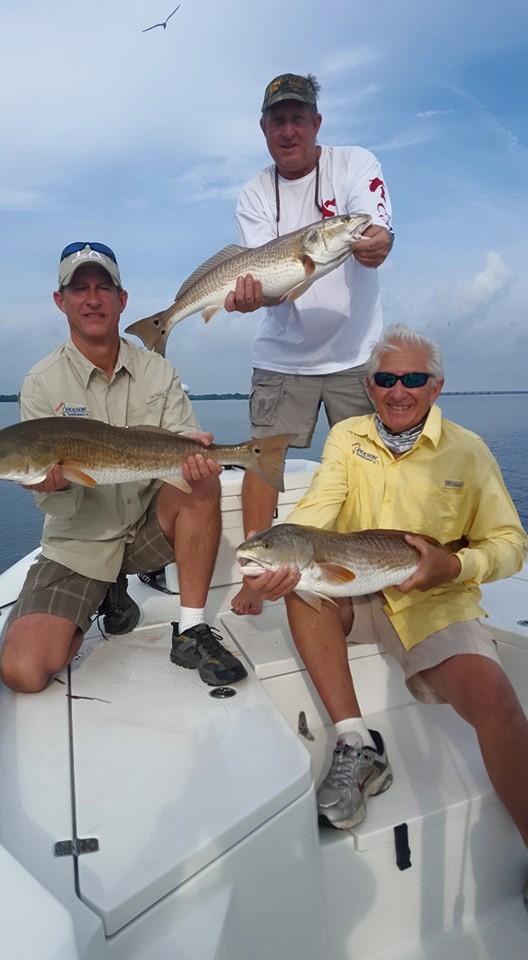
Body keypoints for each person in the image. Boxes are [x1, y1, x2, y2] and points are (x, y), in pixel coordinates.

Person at [243, 323, 528, 850]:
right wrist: (284, 553)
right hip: (354, 588)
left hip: (435, 598)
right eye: (386, 379)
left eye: (414, 378)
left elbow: (512, 543)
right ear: (370, 386)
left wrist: (454, 568)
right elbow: (318, 509)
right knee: (305, 588)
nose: (399, 391)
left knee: (498, 703)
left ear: (436, 387)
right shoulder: (348, 438)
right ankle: (356, 742)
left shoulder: (469, 451)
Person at [0, 242, 247, 693]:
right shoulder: (40, 383)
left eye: (102, 287)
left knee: (205, 480)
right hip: (81, 544)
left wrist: (197, 453)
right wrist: (52, 483)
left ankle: (191, 629)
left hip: (147, 528)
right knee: (22, 670)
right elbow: (48, 493)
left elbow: (184, 442)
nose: (92, 299)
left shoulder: (159, 371)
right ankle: (104, 594)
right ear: (61, 301)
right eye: (79, 289)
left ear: (122, 299)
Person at [226, 72, 394, 615]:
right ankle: (256, 575)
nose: (289, 129)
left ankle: (375, 569)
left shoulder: (354, 164)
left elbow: (375, 230)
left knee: (375, 465)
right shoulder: (255, 193)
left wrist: (377, 243)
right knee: (261, 462)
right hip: (282, 354)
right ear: (264, 128)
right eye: (279, 119)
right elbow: (266, 283)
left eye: (299, 117)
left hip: (356, 355)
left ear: (317, 122)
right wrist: (253, 295)